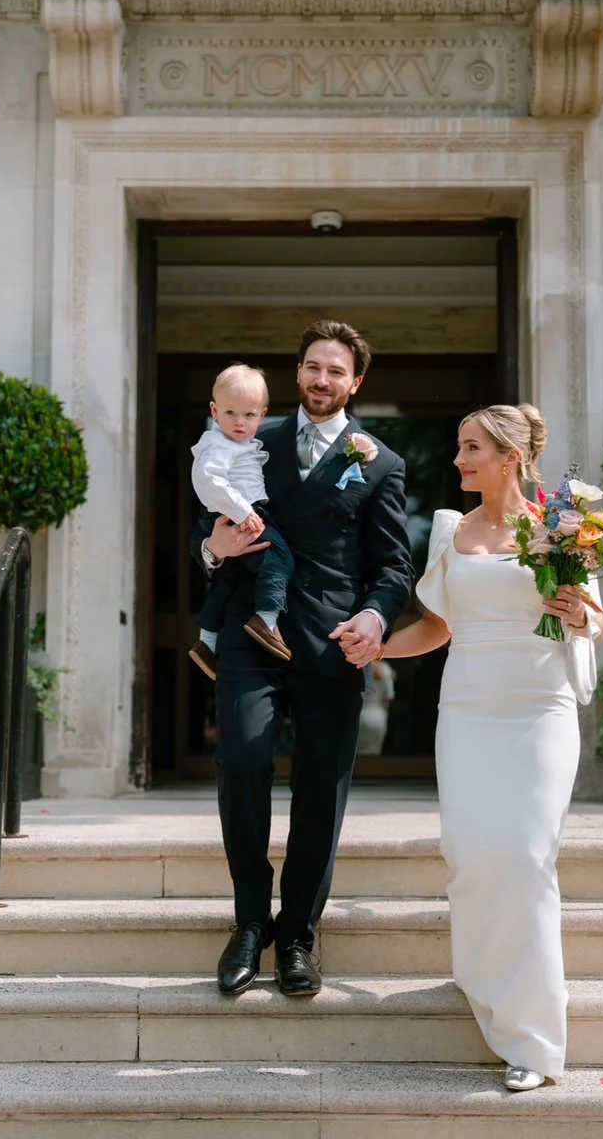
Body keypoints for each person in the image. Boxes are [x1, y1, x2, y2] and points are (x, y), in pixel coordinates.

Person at [372, 404, 603, 1091]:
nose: (457, 460)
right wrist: (374, 646)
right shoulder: (449, 529)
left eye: (471, 448)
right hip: (468, 711)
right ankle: (486, 979)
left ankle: (534, 1042)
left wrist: (579, 614)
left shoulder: (564, 529)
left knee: (527, 855)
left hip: (540, 710)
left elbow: (592, 622)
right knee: (473, 855)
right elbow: (435, 628)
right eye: (457, 447)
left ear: (510, 456)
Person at [190, 319, 414, 998]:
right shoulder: (252, 437)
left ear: (356, 382)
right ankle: (250, 924)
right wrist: (211, 552)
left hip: (330, 643)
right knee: (245, 759)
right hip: (249, 632)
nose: (322, 379)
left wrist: (376, 618)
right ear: (298, 372)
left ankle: (299, 935)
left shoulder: (380, 462)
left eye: (336, 370)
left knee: (321, 786)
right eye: (313, 366)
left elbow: (394, 566)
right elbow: (211, 524)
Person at [188, 363, 296, 679]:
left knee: (227, 579)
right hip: (239, 515)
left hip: (238, 513)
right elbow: (208, 480)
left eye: (248, 415)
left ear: (262, 415)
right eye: (231, 413)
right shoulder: (217, 443)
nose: (239, 422)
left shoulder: (242, 444)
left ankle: (207, 641)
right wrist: (242, 512)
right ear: (214, 410)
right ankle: (267, 618)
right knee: (279, 558)